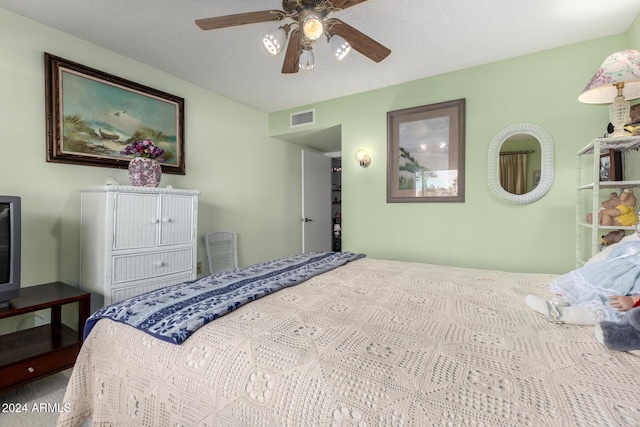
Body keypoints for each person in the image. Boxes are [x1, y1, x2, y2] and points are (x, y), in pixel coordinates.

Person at [526, 236, 640, 325]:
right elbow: (609, 262)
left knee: (602, 311)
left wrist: (632, 300)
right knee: (583, 291)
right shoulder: (632, 246)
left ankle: (562, 315)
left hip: (625, 297)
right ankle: (557, 303)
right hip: (611, 282)